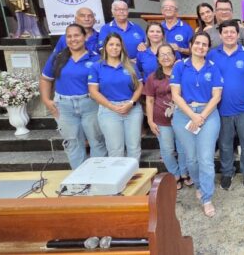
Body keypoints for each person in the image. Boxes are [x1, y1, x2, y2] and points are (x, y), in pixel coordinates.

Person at [170, 32, 223, 217]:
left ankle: (207, 198)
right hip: (184, 115)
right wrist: (192, 115)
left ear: (208, 48)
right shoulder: (180, 67)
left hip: (208, 115)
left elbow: (217, 96)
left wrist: (201, 117)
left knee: (206, 159)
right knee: (191, 158)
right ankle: (199, 185)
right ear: (191, 45)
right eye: (197, 43)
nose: (200, 47)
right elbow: (175, 94)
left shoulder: (213, 68)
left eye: (204, 44)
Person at [40, 24, 106, 169]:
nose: (73, 39)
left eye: (76, 35)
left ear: (84, 37)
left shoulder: (96, 59)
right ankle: (80, 178)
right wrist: (46, 100)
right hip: (64, 106)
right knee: (72, 142)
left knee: (97, 141)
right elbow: (45, 79)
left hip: (90, 105)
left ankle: (98, 175)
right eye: (69, 36)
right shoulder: (57, 58)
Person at [208, 20, 244, 190]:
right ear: (220, 35)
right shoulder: (212, 55)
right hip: (221, 110)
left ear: (238, 35)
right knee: (224, 144)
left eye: (232, 32)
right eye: (226, 32)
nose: (229, 35)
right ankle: (227, 173)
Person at [88, 33, 144, 160]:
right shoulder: (97, 67)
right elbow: (93, 91)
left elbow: (139, 87)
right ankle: (119, 179)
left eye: (118, 45)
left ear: (122, 47)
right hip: (109, 110)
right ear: (105, 47)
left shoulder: (130, 65)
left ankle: (133, 178)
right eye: (111, 44)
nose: (114, 48)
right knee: (115, 150)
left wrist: (131, 103)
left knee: (134, 148)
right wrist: (112, 106)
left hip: (132, 109)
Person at [143, 43, 189, 190]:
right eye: (162, 54)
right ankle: (174, 174)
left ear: (175, 56)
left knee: (183, 148)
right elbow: (149, 100)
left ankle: (184, 172)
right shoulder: (153, 78)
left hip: (181, 118)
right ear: (157, 59)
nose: (166, 57)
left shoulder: (182, 74)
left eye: (169, 53)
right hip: (162, 121)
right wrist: (150, 120)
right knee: (167, 149)